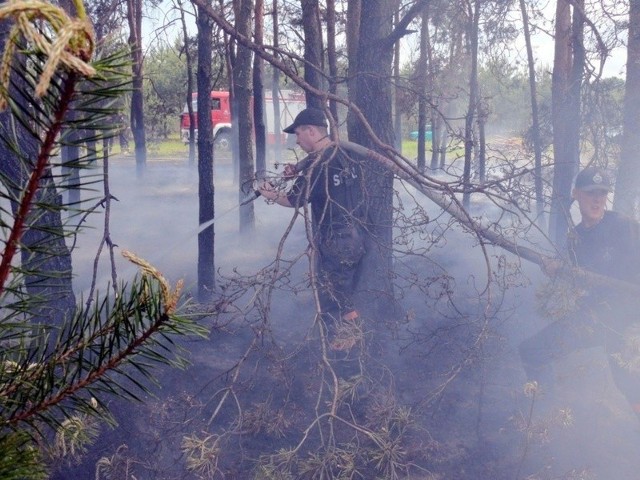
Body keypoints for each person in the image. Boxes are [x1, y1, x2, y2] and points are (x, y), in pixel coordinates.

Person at [519, 166, 640, 417]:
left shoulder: (623, 226)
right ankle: (547, 417)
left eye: (601, 193)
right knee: (533, 350)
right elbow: (575, 284)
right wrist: (557, 271)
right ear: (576, 194)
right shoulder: (575, 237)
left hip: (626, 322)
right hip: (592, 319)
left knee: (629, 384)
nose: (597, 199)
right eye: (589, 193)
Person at [258, 107, 369, 323]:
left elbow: (293, 200)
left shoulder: (318, 164)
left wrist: (271, 194)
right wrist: (298, 170)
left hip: (336, 240)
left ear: (310, 131)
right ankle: (347, 338)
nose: (296, 141)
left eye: (298, 134)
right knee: (345, 291)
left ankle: (348, 343)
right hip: (358, 234)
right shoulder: (344, 153)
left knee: (336, 297)